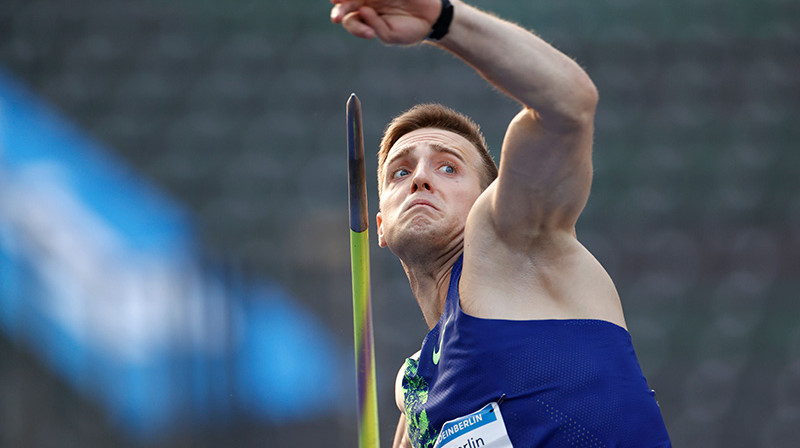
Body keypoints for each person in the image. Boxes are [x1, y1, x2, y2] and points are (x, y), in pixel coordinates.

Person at [331, 0, 672, 447]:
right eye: (400, 172)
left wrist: (441, 19)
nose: (419, 179)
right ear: (380, 224)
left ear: (490, 198)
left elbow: (570, 104)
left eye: (448, 168)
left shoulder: (514, 244)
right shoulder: (414, 385)